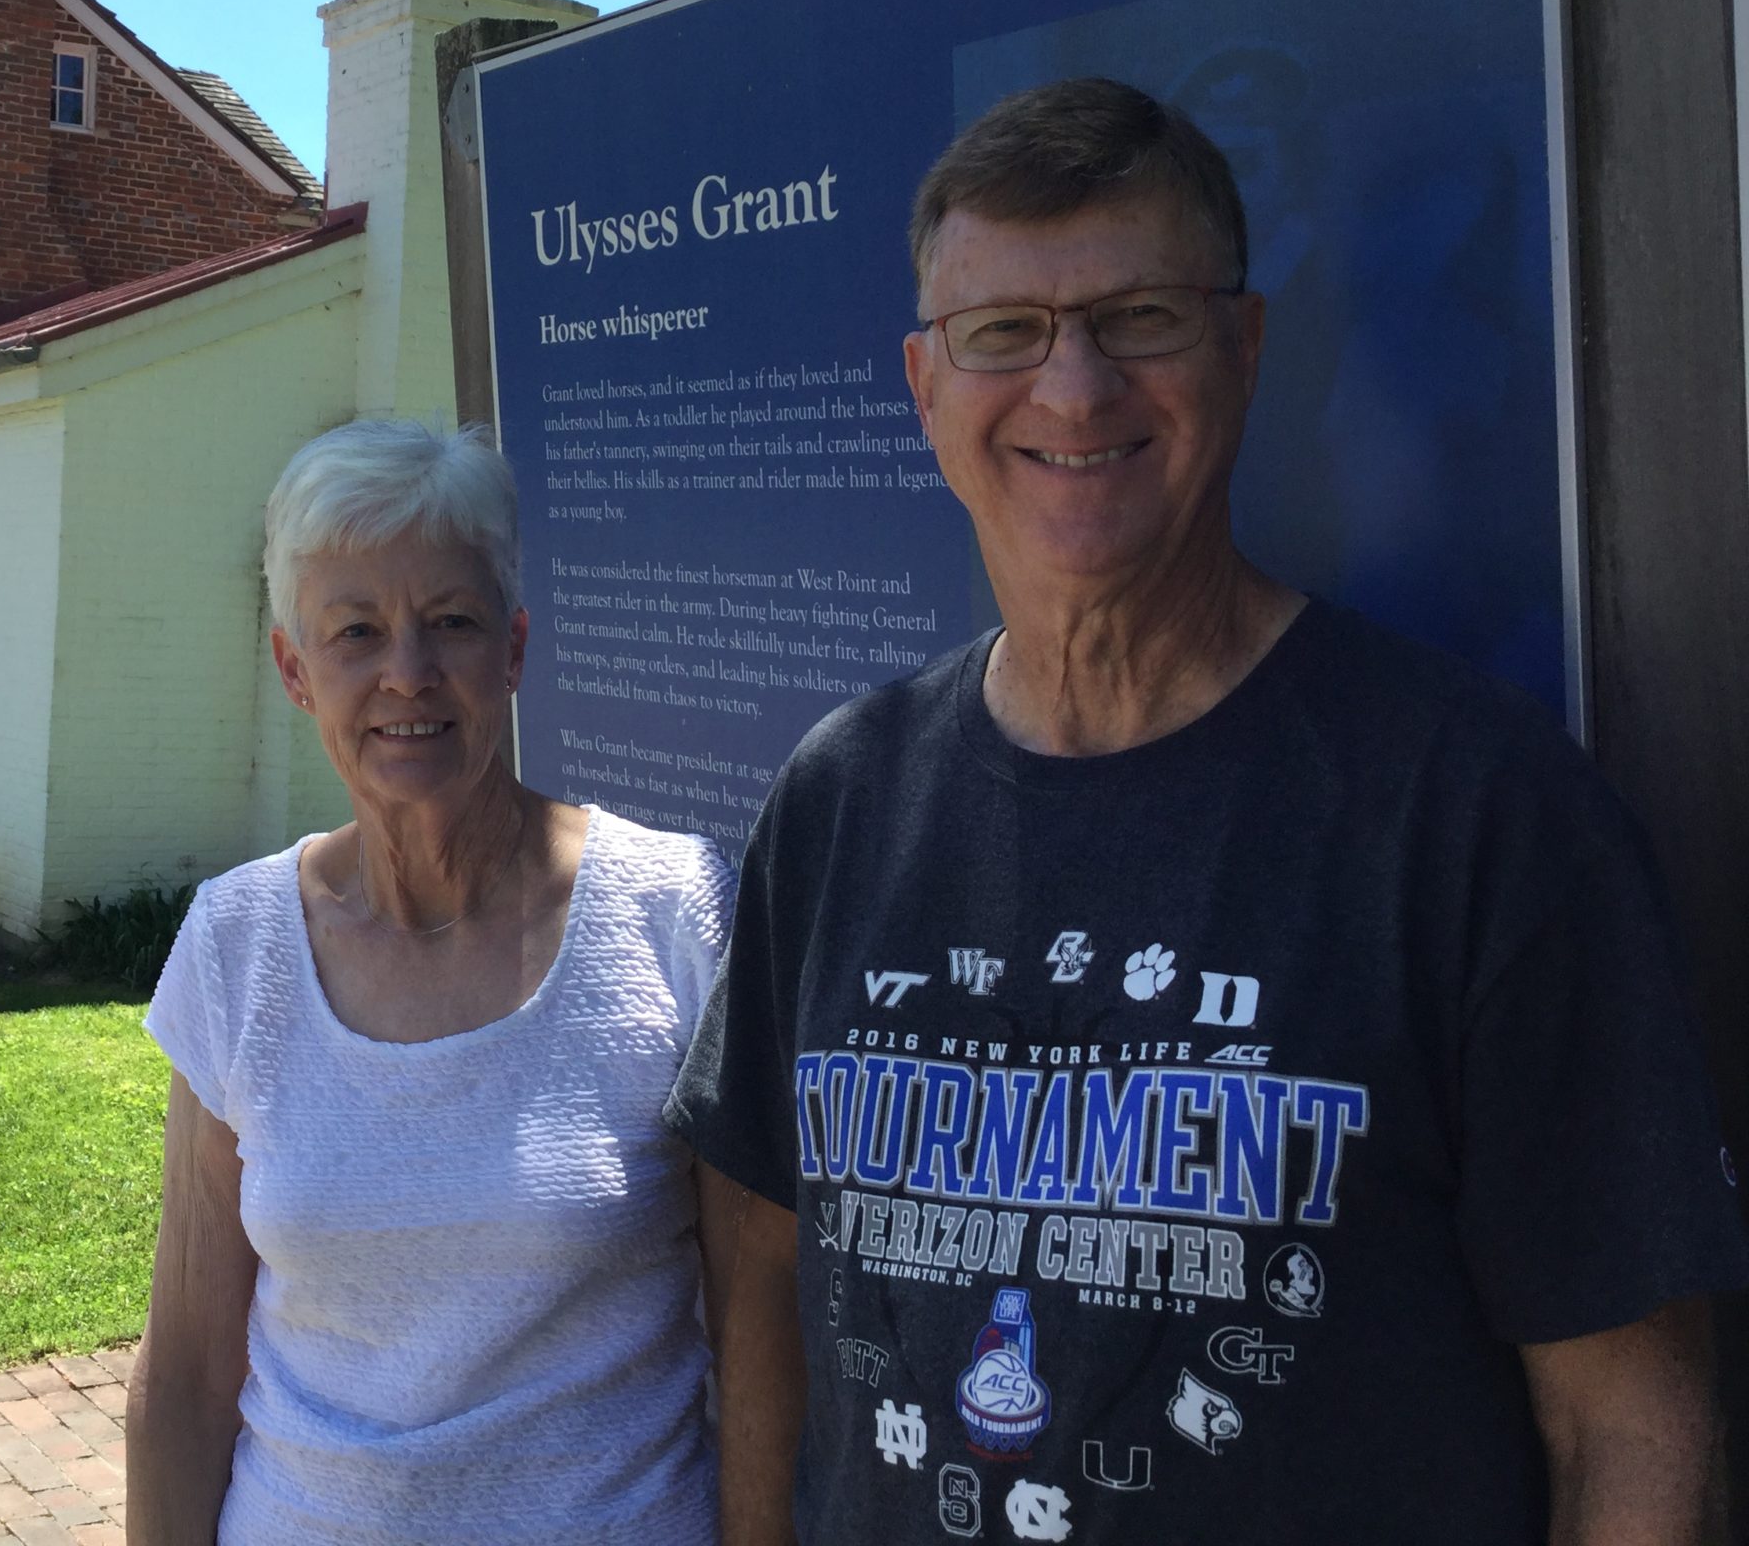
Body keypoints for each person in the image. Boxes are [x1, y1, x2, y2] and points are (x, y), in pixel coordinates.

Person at [671, 78, 1749, 1543]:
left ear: (1242, 349)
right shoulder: (842, 795)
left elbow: (1629, 1420)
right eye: (1006, 336)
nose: (1073, 389)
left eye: (1139, 318)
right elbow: (761, 1272)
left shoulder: (1479, 817)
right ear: (927, 389)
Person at [127, 418, 736, 1545]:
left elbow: (761, 1350)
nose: (407, 672)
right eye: (355, 631)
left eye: (447, 623)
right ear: (295, 670)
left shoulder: (674, 915)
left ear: (511, 647)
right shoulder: (235, 945)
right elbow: (188, 1375)